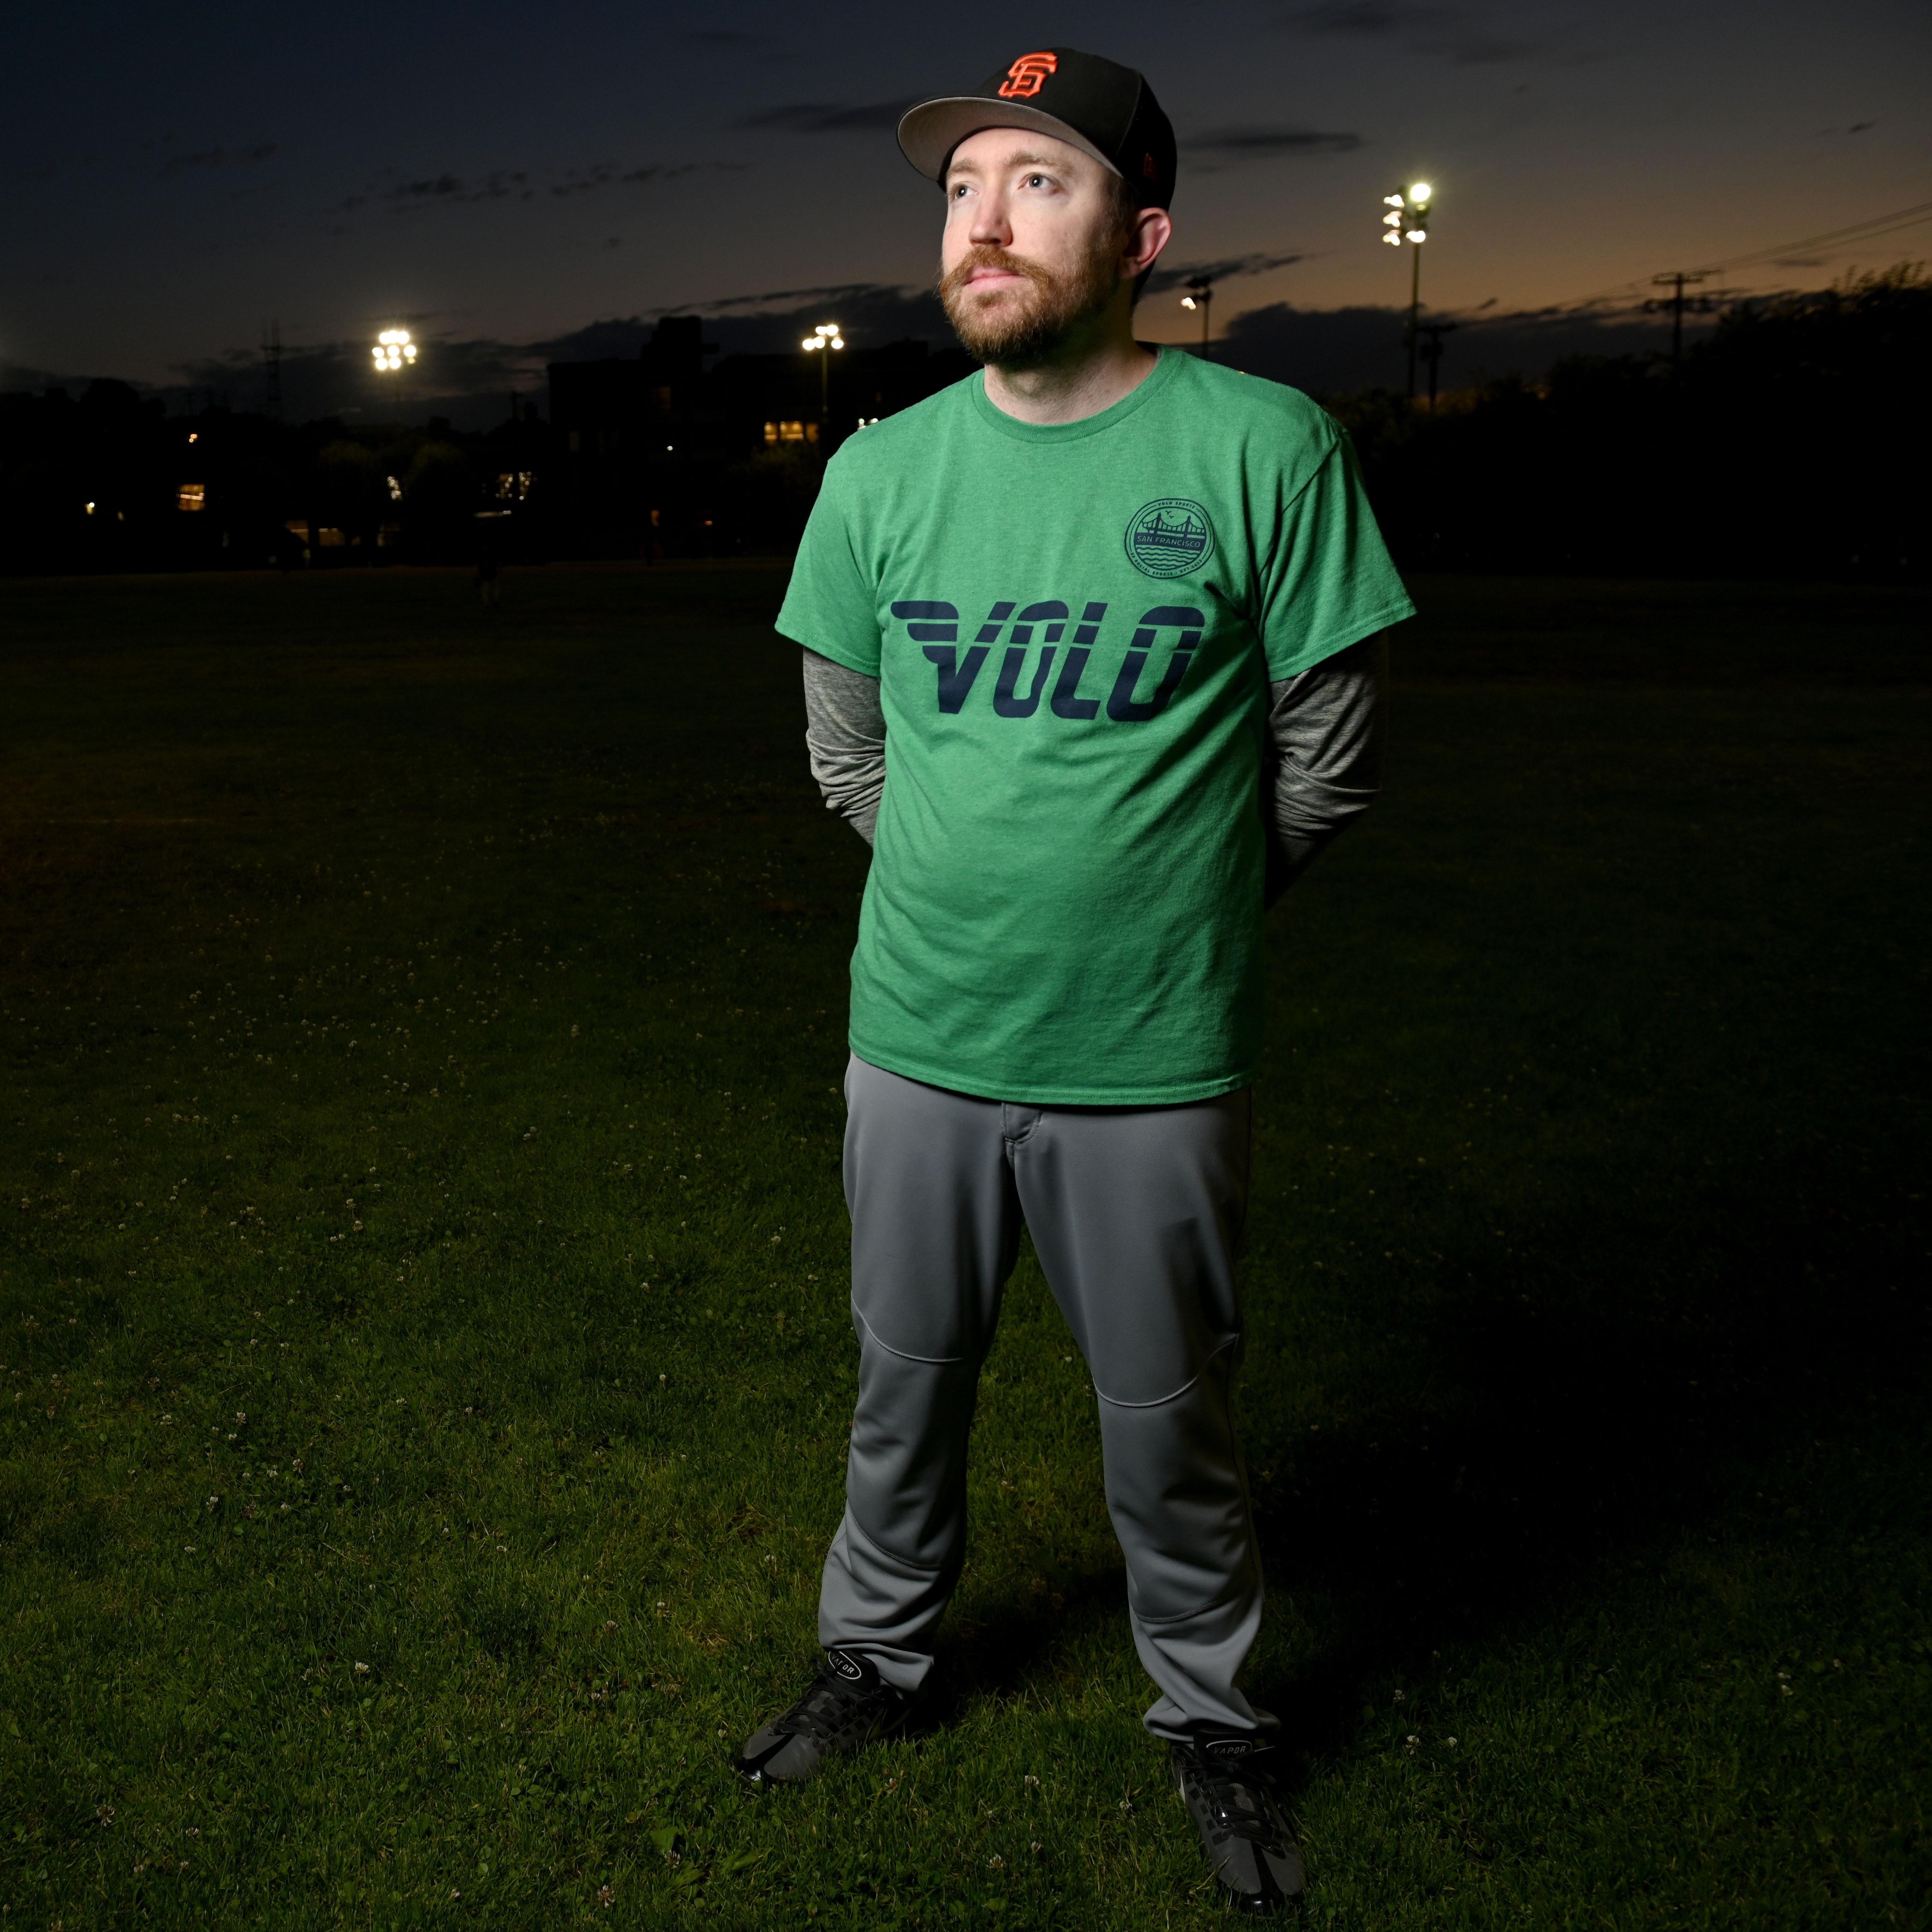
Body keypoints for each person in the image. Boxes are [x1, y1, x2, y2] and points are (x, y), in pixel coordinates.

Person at [735, 46, 1413, 1916]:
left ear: (1143, 234)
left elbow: (1330, 751)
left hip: (1158, 1053)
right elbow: (847, 756)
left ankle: (1211, 1718)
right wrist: (976, 893)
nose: (984, 219)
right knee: (903, 1390)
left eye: (1039, 181)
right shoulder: (878, 475)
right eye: (964, 188)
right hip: (920, 1042)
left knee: (1168, 1417)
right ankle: (874, 1662)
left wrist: (1167, 904)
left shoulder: (1265, 449)